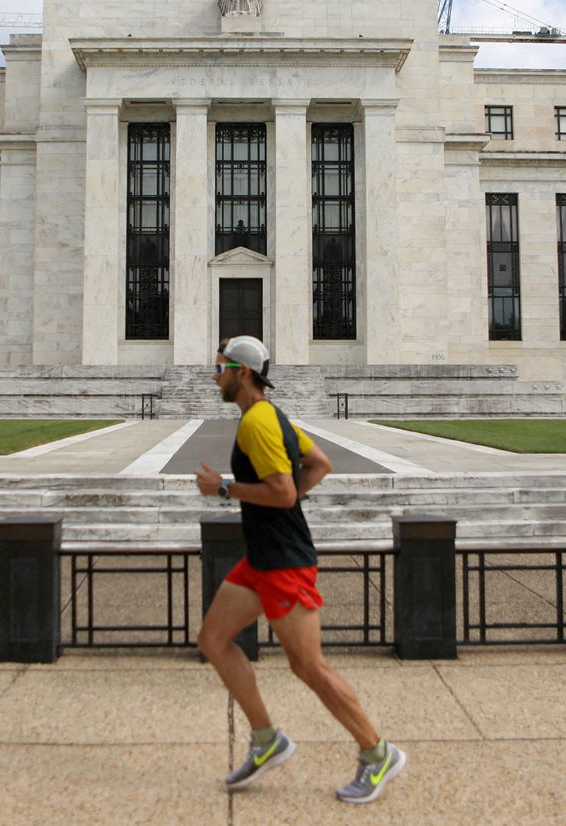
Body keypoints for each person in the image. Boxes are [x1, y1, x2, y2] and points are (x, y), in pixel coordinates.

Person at [194, 335, 405, 804]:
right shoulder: (270, 416)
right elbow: (319, 463)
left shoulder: (258, 424)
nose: (214, 377)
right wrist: (279, 507)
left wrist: (225, 489)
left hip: (284, 563)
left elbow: (285, 492)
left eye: (219, 369)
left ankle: (377, 753)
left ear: (241, 373)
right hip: (262, 558)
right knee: (212, 640)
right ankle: (267, 740)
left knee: (308, 666)